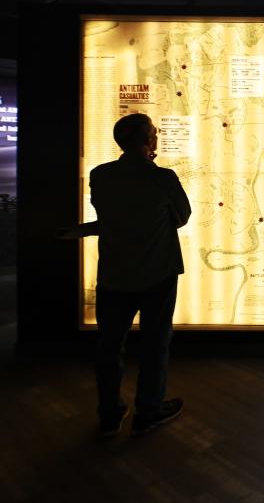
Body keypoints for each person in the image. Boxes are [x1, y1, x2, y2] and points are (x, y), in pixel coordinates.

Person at [63, 113, 191, 437]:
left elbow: (109, 219)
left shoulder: (100, 175)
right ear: (150, 141)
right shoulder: (163, 178)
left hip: (114, 276)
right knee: (155, 344)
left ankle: (109, 414)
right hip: (158, 275)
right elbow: (182, 217)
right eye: (155, 133)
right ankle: (148, 410)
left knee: (109, 347)